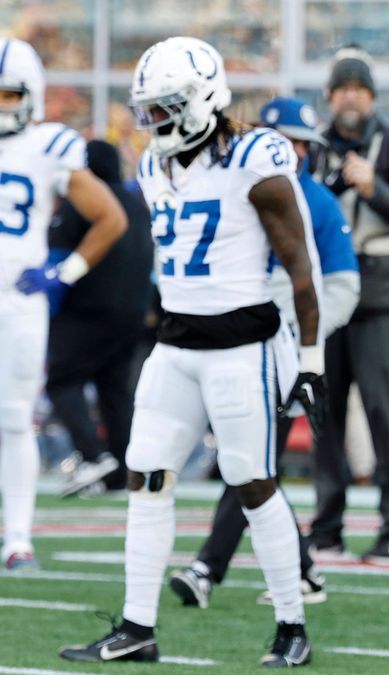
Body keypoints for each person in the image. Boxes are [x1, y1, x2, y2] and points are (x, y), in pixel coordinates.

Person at [59, 37, 322, 667]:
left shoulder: (256, 155)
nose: (153, 122)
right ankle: (136, 626)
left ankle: (292, 627)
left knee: (253, 482)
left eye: (166, 107)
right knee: (144, 474)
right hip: (175, 344)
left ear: (203, 99)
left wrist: (310, 359)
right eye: (147, 109)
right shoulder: (154, 164)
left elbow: (300, 263)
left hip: (244, 346)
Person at [168, 96, 361, 611]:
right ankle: (301, 570)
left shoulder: (316, 201)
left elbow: (342, 285)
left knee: (250, 460)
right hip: (229, 346)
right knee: (253, 463)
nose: (295, 154)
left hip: (279, 350)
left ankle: (208, 567)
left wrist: (303, 343)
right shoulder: (224, 188)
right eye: (287, 142)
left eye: (300, 145)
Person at [0, 38, 128, 570]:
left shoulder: (48, 145)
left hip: (17, 300)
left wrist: (63, 272)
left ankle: (18, 538)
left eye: (8, 95)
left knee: (13, 420)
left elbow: (111, 217)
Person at [308, 45, 389, 564]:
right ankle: (327, 527)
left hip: (384, 297)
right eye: (343, 88)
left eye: (360, 89)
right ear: (330, 96)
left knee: (386, 416)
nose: (351, 97)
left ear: (372, 97)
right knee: (324, 415)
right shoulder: (314, 148)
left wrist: (373, 185)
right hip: (328, 299)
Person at [47, 140, 152, 497]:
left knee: (61, 380)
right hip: (133, 315)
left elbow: (58, 250)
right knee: (115, 392)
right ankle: (121, 472)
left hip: (87, 310)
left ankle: (93, 455)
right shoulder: (138, 206)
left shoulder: (85, 200)